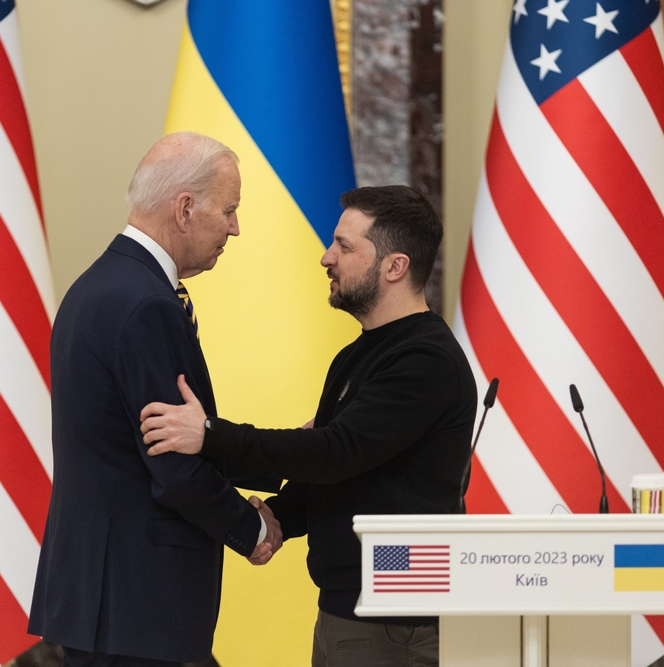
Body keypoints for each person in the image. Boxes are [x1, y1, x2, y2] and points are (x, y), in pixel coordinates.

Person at [139, 185, 477, 667]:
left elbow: (334, 453)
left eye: (344, 246)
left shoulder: (425, 360)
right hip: (351, 611)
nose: (325, 257)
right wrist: (270, 523)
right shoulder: (357, 355)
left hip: (393, 620)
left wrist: (210, 436)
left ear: (394, 267)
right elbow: (332, 472)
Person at [28, 132, 282, 667]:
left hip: (106, 597)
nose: (235, 227)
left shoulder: (97, 285)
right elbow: (173, 463)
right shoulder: (148, 306)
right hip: (137, 603)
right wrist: (251, 527)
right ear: (185, 209)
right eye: (229, 210)